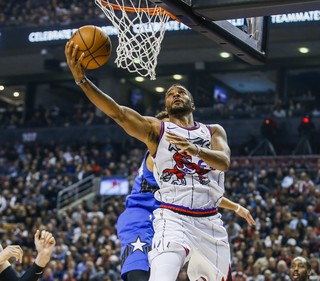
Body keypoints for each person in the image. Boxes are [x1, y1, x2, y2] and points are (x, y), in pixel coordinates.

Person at [66, 41, 237, 280]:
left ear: (193, 103)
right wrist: (82, 80)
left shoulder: (213, 132)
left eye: (181, 91)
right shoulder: (156, 131)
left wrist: (195, 150)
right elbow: (117, 112)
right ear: (165, 109)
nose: (176, 94)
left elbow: (223, 164)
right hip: (165, 214)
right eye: (170, 94)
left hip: (208, 221)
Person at [117, 112, 256, 281]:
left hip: (168, 216)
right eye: (169, 129)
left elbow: (198, 193)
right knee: (140, 273)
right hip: (141, 216)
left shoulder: (176, 157)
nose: (175, 133)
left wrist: (236, 207)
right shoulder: (158, 158)